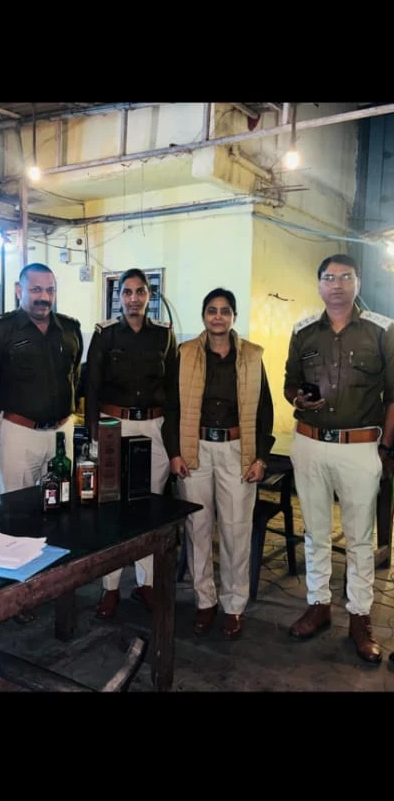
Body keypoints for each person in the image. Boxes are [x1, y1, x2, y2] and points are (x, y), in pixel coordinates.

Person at [284, 253, 394, 664]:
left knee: (360, 537)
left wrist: (386, 449)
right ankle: (318, 605)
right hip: (310, 444)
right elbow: (289, 383)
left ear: (357, 283)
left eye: (345, 277)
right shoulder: (302, 331)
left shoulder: (382, 330)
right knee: (315, 532)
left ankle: (359, 618)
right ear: (319, 285)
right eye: (329, 278)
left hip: (360, 447)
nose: (337, 285)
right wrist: (298, 399)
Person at [171, 288, 274, 638]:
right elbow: (173, 406)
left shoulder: (252, 357)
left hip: (237, 451)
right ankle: (205, 601)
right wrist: (175, 453)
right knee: (197, 529)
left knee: (235, 530)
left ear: (233, 317)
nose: (218, 316)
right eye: (212, 310)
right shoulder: (185, 354)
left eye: (225, 311)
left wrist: (261, 457)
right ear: (203, 316)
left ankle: (233, 605)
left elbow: (265, 410)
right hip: (195, 449)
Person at [85, 267, 179, 618]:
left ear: (149, 297)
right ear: (119, 297)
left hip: (154, 425)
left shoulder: (164, 336)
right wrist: (94, 433)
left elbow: (173, 390)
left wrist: (172, 441)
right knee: (112, 507)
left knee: (148, 506)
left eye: (140, 292)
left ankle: (145, 583)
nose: (134, 298)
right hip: (114, 425)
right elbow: (92, 386)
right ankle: (110, 587)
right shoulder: (105, 334)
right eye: (127, 292)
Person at [0, 262, 83, 493]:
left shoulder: (69, 329)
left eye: (50, 290)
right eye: (36, 290)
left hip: (62, 432)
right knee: (16, 504)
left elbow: (74, 376)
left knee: (61, 499)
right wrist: (9, 420)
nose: (44, 297)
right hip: (19, 434)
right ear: (19, 290)